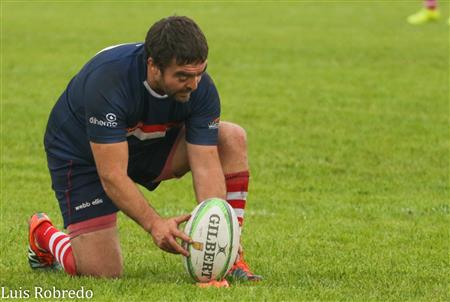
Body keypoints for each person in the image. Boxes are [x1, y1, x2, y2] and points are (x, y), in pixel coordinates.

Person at [28, 16, 261, 287]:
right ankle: (43, 234)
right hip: (83, 156)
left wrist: (221, 237)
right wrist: (155, 224)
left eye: (199, 73)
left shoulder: (200, 87)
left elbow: (206, 164)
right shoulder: (110, 81)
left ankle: (231, 261)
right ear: (153, 66)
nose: (194, 84)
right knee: (102, 271)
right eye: (183, 76)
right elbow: (112, 175)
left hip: (148, 143)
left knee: (230, 137)